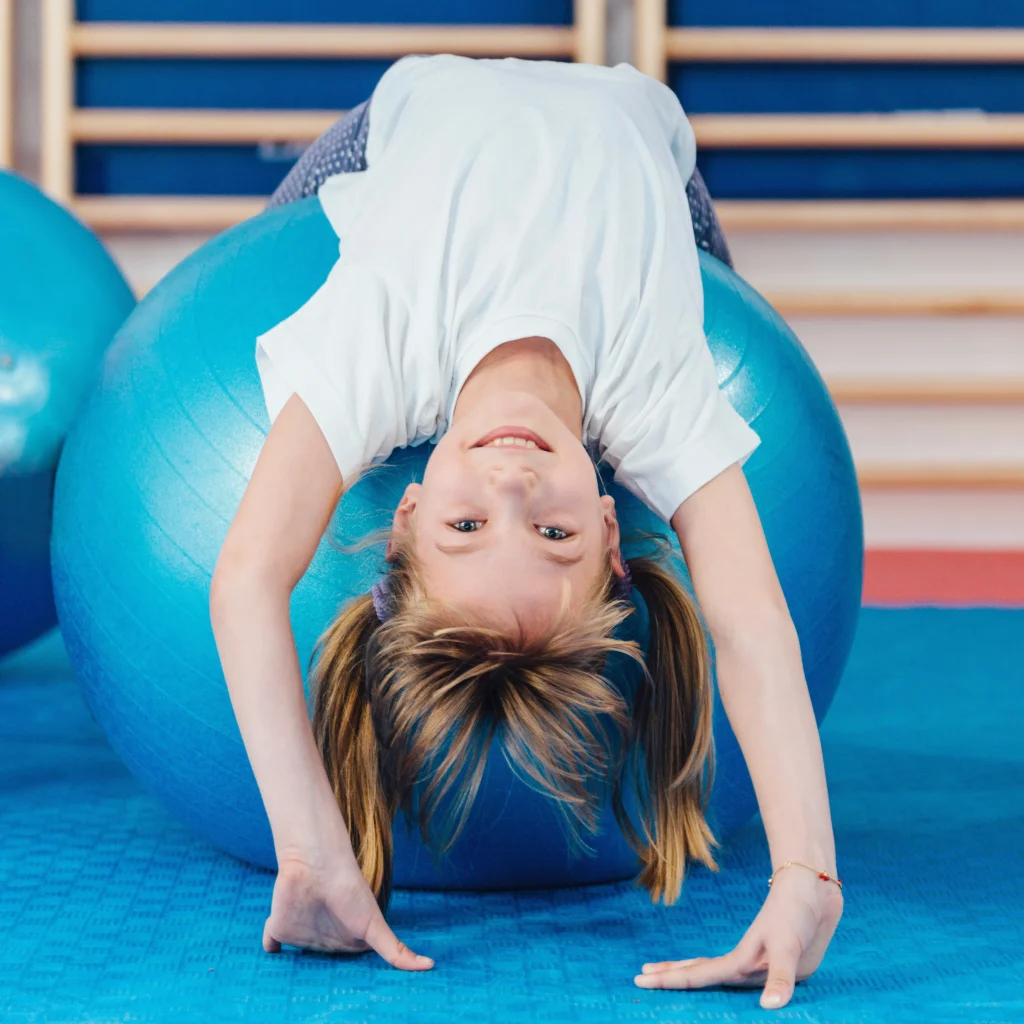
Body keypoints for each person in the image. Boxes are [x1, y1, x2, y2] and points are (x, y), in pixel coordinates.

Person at [209, 55, 843, 1011]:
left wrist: (307, 844)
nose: (511, 478)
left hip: (417, 113)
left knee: (273, 254)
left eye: (467, 524)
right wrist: (810, 875)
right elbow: (752, 625)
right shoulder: (660, 388)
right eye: (552, 530)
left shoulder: (370, 348)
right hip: (646, 147)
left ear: (408, 512)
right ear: (610, 524)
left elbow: (246, 578)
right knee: (693, 260)